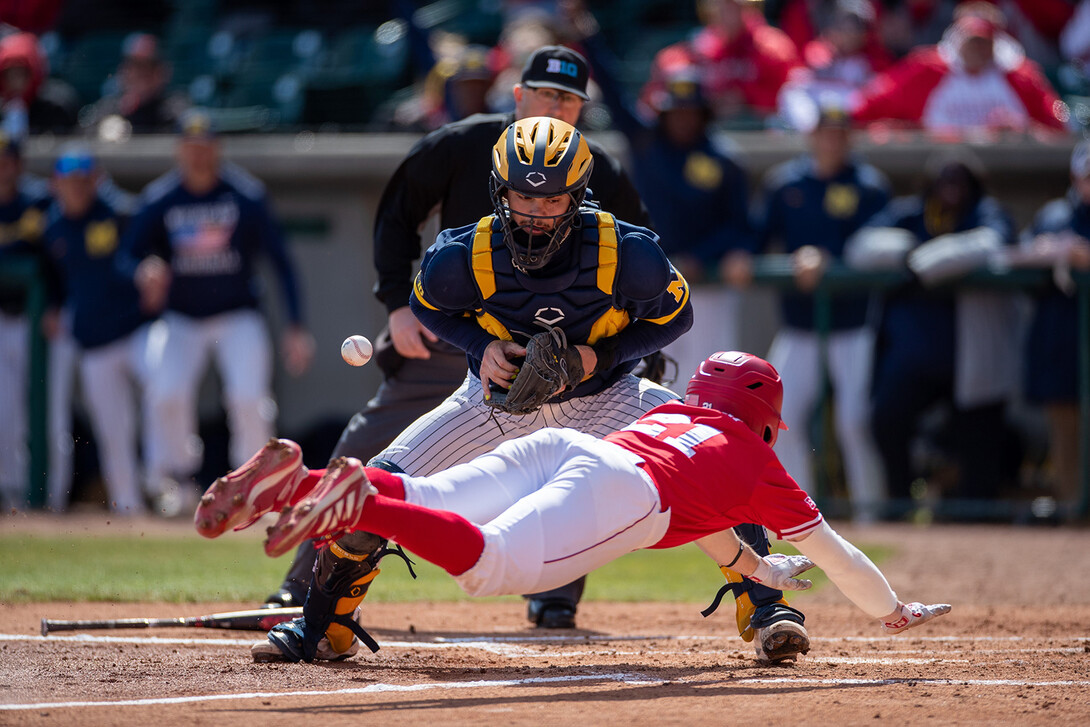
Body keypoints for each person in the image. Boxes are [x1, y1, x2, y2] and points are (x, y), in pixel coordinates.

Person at [199, 350, 952, 666]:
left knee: (425, 494)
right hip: (621, 489)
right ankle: (355, 497)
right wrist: (892, 611)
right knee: (489, 567)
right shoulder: (757, 459)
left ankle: (302, 483)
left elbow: (717, 533)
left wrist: (760, 568)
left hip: (572, 448)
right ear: (762, 417)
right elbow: (840, 556)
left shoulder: (673, 418)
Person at [260, 44, 654, 630]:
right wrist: (397, 304)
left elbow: (641, 267)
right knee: (375, 440)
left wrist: (634, 350)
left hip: (557, 353)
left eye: (569, 100)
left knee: (572, 457)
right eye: (545, 94)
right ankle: (305, 585)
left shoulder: (598, 168)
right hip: (449, 332)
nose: (557, 107)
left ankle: (554, 595)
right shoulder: (463, 144)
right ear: (518, 96)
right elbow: (398, 214)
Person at [119, 109, 314, 515]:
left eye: (205, 146)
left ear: (217, 148)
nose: (198, 156)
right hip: (181, 317)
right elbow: (127, 253)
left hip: (236, 314)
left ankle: (260, 485)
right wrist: (143, 269)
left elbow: (281, 261)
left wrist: (296, 324)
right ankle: (176, 480)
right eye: (190, 147)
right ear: (179, 150)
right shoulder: (161, 198)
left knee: (247, 397)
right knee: (167, 392)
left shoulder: (244, 195)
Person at [568, 0, 756, 379]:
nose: (684, 118)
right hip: (647, 282)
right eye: (676, 111)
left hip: (709, 286)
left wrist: (702, 256)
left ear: (703, 113)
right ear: (664, 111)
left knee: (707, 382)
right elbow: (612, 85)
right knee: (645, 383)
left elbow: (743, 225)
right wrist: (584, 33)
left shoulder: (723, 157)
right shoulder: (646, 141)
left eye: (691, 111)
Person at [846, 150, 1021, 518]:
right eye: (945, 179)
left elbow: (992, 243)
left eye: (961, 180)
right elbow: (859, 247)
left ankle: (976, 522)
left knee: (980, 444)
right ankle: (901, 506)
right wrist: (912, 253)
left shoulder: (985, 212)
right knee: (887, 421)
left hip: (973, 361)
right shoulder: (909, 213)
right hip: (912, 357)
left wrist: (926, 263)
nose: (952, 187)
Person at [749, 100, 890, 522]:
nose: (832, 140)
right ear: (812, 137)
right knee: (779, 417)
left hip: (853, 322)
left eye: (840, 132)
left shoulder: (869, 186)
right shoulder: (786, 183)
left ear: (850, 138)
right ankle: (801, 514)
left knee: (855, 421)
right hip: (799, 323)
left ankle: (872, 514)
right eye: (825, 132)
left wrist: (831, 257)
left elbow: (880, 244)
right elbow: (757, 240)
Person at [42, 145, 150, 514]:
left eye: (83, 180)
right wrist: (53, 305)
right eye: (69, 181)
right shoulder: (53, 225)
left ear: (96, 180)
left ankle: (164, 480)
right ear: (56, 184)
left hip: (136, 331)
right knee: (112, 431)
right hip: (93, 343)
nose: (76, 188)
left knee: (166, 387)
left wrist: (151, 268)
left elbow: (147, 247)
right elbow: (53, 273)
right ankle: (130, 510)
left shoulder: (120, 211)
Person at [1015, 141, 1090, 521]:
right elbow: (1016, 257)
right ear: (1076, 178)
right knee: (1065, 433)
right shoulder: (1055, 216)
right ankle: (1071, 514)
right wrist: (1049, 252)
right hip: (1060, 340)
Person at [851, 12, 1068, 133]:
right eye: (973, 42)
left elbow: (1058, 123)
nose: (978, 50)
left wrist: (1025, 130)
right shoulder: (926, 71)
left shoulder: (1021, 77)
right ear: (959, 41)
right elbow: (871, 103)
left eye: (984, 43)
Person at [643, 0, 800, 124]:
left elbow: (794, 100)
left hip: (762, 134)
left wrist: (747, 96)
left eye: (735, 6)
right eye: (722, 5)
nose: (727, 12)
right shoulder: (704, 46)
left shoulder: (773, 48)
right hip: (715, 134)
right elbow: (662, 81)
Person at [0, 131, 50, 511]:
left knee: (47, 411)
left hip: (41, 323)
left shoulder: (38, 199)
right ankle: (12, 491)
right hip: (4, 320)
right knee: (7, 410)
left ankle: (51, 499)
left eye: (8, 159)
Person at [82, 33, 189, 137]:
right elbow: (83, 138)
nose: (136, 74)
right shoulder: (110, 109)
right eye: (131, 66)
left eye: (145, 67)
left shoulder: (174, 109)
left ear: (161, 71)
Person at [0, 31, 77, 136]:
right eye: (10, 75)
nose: (15, 81)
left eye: (21, 74)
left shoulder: (56, 106)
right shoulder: (2, 109)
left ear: (35, 73)